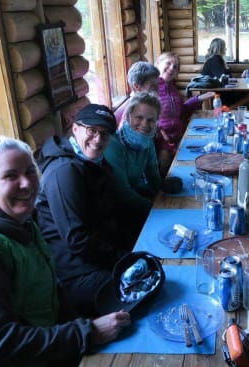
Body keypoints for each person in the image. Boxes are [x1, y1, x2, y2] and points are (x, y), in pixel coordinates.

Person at [0, 136, 130, 366]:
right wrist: (88, 332)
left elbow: (52, 295)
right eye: (10, 176)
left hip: (36, 345)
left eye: (30, 171)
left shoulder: (21, 223)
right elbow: (1, 346)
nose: (27, 183)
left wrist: (83, 326)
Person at [35, 103, 132, 318]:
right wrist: (122, 258)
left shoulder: (94, 162)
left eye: (105, 134)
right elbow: (77, 239)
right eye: (92, 130)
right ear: (75, 128)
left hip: (97, 259)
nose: (98, 140)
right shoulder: (65, 171)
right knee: (137, 292)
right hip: (74, 274)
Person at [105, 92, 162, 235]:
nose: (145, 124)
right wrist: (157, 209)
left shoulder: (147, 142)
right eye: (139, 117)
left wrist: (164, 194)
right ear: (129, 116)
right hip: (112, 212)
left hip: (134, 201)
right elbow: (122, 193)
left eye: (151, 120)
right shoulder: (113, 145)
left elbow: (153, 176)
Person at [156, 52, 214, 177]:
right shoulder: (151, 88)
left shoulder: (173, 90)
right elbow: (150, 120)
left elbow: (182, 111)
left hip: (179, 138)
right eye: (168, 63)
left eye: (175, 67)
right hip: (160, 142)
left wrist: (198, 98)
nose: (171, 68)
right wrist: (165, 143)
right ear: (158, 64)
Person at [115, 61, 160, 129]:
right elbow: (122, 131)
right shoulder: (133, 107)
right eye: (152, 85)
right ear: (136, 86)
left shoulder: (147, 102)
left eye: (157, 84)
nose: (157, 88)